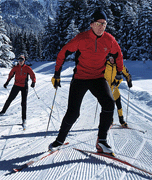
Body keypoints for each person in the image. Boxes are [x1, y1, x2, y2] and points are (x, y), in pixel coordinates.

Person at [49, 9, 124, 156]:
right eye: (99, 23)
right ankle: (59, 140)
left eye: (104, 23)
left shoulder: (109, 40)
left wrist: (119, 73)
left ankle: (101, 141)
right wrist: (57, 73)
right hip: (80, 78)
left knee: (109, 103)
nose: (102, 26)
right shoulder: (81, 38)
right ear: (92, 24)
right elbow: (63, 52)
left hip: (98, 78)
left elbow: (118, 55)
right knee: (73, 113)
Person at [0, 55, 36, 129]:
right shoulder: (15, 68)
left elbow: (32, 75)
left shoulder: (27, 68)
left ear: (24, 61)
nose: (20, 61)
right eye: (19, 60)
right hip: (16, 86)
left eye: (22, 60)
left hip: (24, 87)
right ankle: (3, 111)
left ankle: (24, 119)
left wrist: (33, 82)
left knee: (23, 103)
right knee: (10, 99)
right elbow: (10, 75)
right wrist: (7, 82)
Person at [104, 53, 132, 128]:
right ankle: (110, 120)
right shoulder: (105, 65)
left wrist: (129, 80)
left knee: (119, 104)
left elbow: (127, 73)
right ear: (108, 58)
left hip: (115, 88)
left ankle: (122, 120)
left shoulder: (119, 65)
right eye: (110, 58)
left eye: (113, 58)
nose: (112, 60)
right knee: (108, 106)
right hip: (106, 89)